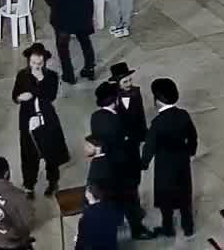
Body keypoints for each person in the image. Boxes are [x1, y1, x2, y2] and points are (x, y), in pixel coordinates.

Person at [87, 89, 146, 241]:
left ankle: (119, 220)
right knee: (131, 198)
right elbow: (125, 145)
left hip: (106, 168)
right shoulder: (117, 121)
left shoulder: (95, 116)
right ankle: (137, 229)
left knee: (115, 198)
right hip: (123, 167)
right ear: (115, 101)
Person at [140, 79, 196, 239]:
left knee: (166, 199)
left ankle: (168, 228)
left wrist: (143, 164)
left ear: (157, 101)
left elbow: (149, 146)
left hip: (165, 166)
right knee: (185, 197)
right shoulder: (184, 115)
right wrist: (190, 152)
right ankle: (188, 227)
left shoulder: (157, 123)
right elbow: (193, 136)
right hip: (182, 162)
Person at [12, 44, 68, 197]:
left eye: (39, 63)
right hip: (27, 118)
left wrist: (40, 82)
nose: (36, 66)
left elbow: (51, 96)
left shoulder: (51, 76)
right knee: (29, 153)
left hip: (47, 118)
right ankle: (29, 185)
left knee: (51, 151)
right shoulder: (22, 75)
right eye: (33, 63)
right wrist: (19, 98)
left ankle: (52, 181)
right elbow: (15, 95)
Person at [45, 0, 96, 84]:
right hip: (83, 17)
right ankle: (89, 69)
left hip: (63, 21)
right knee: (85, 42)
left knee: (63, 48)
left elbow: (50, 0)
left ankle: (69, 75)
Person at [72, 180, 123, 250]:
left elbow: (80, 242)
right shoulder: (113, 208)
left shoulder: (87, 215)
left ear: (89, 195)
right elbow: (120, 222)